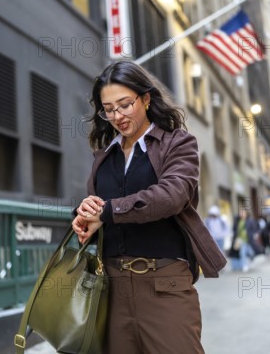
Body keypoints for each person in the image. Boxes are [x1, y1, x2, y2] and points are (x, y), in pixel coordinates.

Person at [71, 60, 226, 354]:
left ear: (145, 98)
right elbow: (99, 209)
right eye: (109, 109)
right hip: (112, 288)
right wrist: (84, 215)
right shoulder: (105, 155)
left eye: (125, 104)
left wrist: (106, 212)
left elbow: (171, 195)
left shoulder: (178, 143)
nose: (117, 116)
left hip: (164, 284)